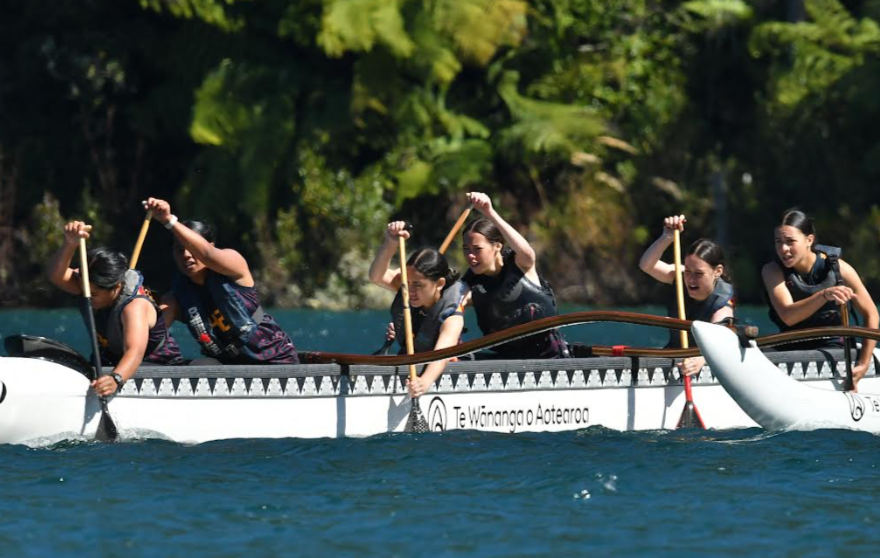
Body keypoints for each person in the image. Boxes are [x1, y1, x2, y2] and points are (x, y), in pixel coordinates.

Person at [143, 198, 299, 364]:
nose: (186, 255)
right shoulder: (176, 298)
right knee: (197, 367)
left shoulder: (234, 264)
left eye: (191, 249)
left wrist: (169, 221)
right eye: (179, 250)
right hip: (229, 365)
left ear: (210, 245)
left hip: (273, 357)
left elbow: (207, 254)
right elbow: (151, 333)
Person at [46, 221, 184, 397]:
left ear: (116, 287)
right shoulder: (87, 284)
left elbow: (135, 351)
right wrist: (70, 243)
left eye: (94, 294)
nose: (88, 297)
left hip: (154, 367)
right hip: (111, 362)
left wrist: (115, 379)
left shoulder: (134, 307)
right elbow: (56, 275)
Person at [762, 209, 878, 389]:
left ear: (809, 240)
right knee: (754, 353)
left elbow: (871, 314)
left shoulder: (840, 269)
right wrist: (824, 295)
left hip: (833, 347)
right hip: (790, 344)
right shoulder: (772, 271)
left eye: (790, 241)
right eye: (778, 242)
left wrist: (863, 364)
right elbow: (788, 316)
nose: (783, 249)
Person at [459, 192, 568, 359]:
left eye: (477, 249)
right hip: (506, 360)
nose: (470, 256)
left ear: (497, 246)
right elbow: (455, 305)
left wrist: (489, 212)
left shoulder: (520, 264)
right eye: (466, 249)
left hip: (549, 356)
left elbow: (526, 251)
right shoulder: (470, 282)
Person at [368, 221, 467, 398]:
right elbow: (376, 276)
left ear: (440, 284)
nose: (410, 291)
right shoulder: (409, 284)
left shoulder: (453, 317)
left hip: (440, 369)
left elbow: (441, 355)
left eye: (419, 286)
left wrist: (424, 382)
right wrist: (391, 241)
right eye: (408, 283)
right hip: (409, 361)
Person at [639, 215, 735, 376]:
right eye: (688, 271)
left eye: (699, 274)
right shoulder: (679, 276)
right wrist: (667, 236)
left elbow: (722, 340)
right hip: (674, 355)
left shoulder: (722, 306)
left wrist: (701, 360)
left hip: (701, 362)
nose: (690, 279)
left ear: (718, 271)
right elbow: (646, 265)